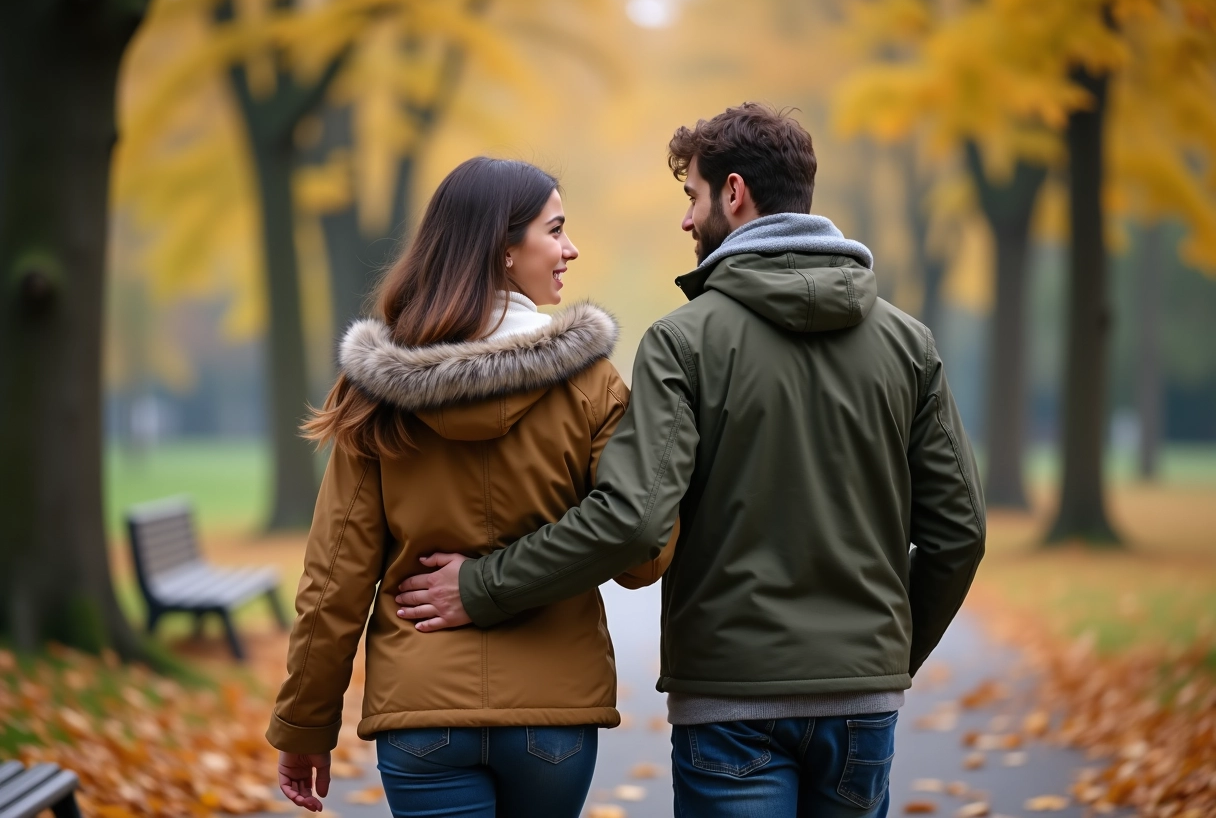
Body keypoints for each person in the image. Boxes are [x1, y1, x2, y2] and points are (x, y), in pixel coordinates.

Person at [395, 103, 987, 818]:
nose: (685, 220)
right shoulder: (908, 343)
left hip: (729, 708)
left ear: (734, 194)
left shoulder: (684, 342)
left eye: (692, 196)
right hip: (863, 705)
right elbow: (960, 531)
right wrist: (881, 657)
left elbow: (633, 524)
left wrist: (482, 584)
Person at [266, 156, 675, 818]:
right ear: (504, 250)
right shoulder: (593, 385)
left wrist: (305, 724)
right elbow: (642, 557)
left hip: (423, 712)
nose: (571, 249)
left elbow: (334, 577)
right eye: (556, 230)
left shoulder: (377, 389)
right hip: (552, 715)